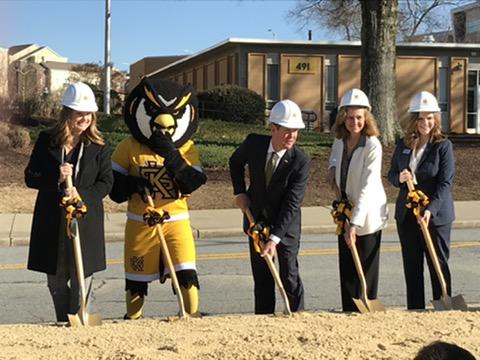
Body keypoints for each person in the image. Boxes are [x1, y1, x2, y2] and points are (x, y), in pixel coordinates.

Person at [109, 77, 207, 319]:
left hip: (176, 222)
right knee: (135, 283)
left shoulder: (187, 148)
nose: (164, 123)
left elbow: (192, 182)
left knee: (187, 276)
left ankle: (192, 318)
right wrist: (132, 184)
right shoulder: (129, 146)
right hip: (140, 225)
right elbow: (113, 189)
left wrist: (169, 153)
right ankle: (133, 320)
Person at [25, 82, 113, 322]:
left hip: (85, 221)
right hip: (52, 222)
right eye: (79, 113)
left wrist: (79, 194)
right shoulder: (47, 141)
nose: (84, 118)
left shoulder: (99, 147)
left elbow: (106, 183)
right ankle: (63, 323)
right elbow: (30, 177)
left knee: (81, 278)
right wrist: (57, 175)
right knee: (55, 280)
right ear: (67, 113)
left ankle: (79, 320)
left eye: (88, 113)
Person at [229, 99, 310, 314]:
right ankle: (263, 319)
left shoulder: (300, 161)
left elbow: (292, 204)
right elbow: (235, 162)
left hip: (286, 223)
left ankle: (297, 315)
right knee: (262, 275)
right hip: (257, 219)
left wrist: (275, 239)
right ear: (273, 128)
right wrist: (240, 192)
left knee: (288, 274)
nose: (292, 136)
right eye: (287, 130)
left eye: (296, 131)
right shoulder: (254, 144)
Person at [388, 91, 455, 310]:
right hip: (408, 216)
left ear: (435, 119)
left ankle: (442, 307)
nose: (425, 123)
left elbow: (445, 183)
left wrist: (430, 210)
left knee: (438, 265)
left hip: (434, 217)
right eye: (420, 118)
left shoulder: (442, 146)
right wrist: (399, 177)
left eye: (429, 118)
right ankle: (415, 309)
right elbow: (391, 174)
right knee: (412, 266)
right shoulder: (404, 143)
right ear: (413, 120)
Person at [327, 88, 388, 312]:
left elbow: (367, 186)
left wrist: (355, 224)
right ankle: (348, 308)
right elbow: (334, 157)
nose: (355, 122)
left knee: (365, 266)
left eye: (360, 117)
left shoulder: (372, 145)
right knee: (347, 265)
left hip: (367, 214)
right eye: (350, 117)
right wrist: (332, 169)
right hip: (346, 210)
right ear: (343, 118)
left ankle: (366, 304)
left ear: (367, 118)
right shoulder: (340, 140)